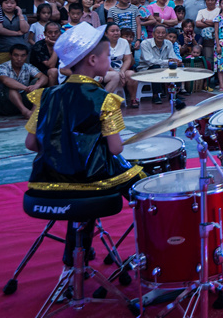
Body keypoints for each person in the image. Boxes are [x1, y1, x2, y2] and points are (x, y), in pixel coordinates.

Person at [24, 23, 142, 266]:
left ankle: (74, 260)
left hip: (47, 180)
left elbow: (31, 143)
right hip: (91, 181)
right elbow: (115, 149)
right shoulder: (105, 99)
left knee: (77, 190)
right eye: (108, 55)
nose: (110, 60)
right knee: (145, 184)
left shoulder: (45, 95)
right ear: (92, 60)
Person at [0, 43, 48, 118]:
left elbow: (44, 77)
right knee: (12, 88)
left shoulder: (28, 66)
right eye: (16, 55)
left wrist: (36, 85)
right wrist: (26, 88)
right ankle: (25, 112)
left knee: (37, 82)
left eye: (23, 56)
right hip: (4, 104)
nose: (19, 59)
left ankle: (33, 111)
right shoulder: (2, 67)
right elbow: (6, 80)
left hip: (23, 100)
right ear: (10, 55)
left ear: (26, 56)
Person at [138, 24, 181, 104]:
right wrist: (167, 62)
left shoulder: (168, 43)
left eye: (163, 33)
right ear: (153, 34)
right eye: (158, 33)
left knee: (176, 67)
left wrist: (176, 61)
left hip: (163, 67)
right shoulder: (145, 43)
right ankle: (156, 95)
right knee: (156, 67)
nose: (160, 35)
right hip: (146, 68)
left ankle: (175, 93)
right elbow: (149, 61)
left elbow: (172, 56)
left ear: (166, 34)